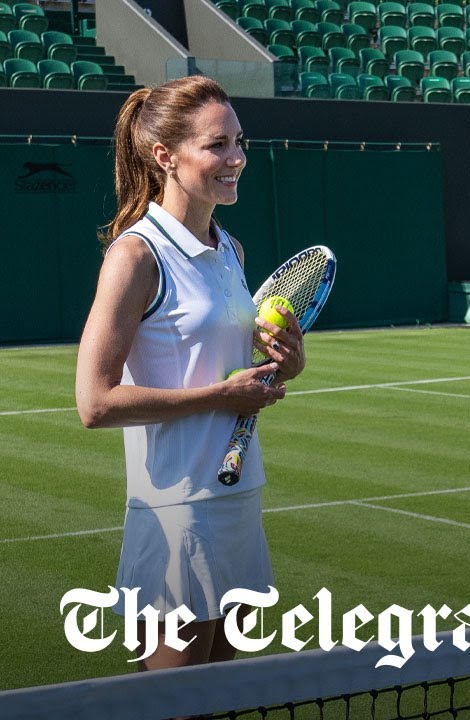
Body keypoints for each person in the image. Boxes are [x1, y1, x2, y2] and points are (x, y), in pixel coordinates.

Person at [75, 75, 305, 673]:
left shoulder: (231, 249)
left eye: (239, 141)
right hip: (177, 511)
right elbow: (95, 403)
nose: (236, 158)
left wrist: (283, 365)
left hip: (238, 496)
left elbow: (234, 372)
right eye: (216, 145)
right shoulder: (135, 256)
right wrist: (219, 396)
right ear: (165, 156)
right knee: (173, 705)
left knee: (219, 694)